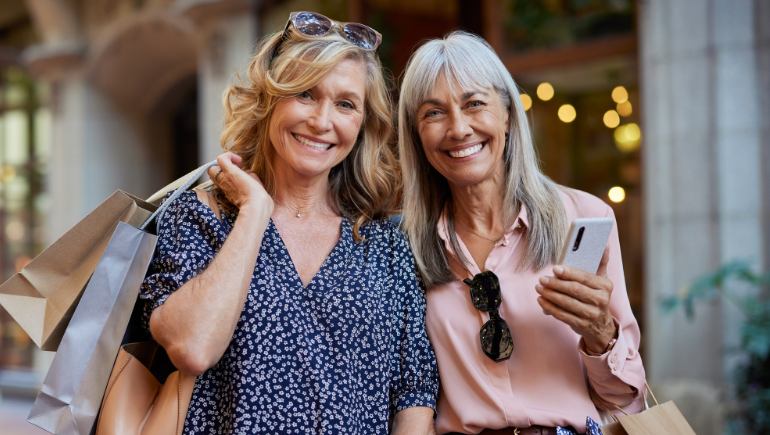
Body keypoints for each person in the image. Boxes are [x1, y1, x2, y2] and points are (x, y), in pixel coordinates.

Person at [139, 12, 437, 434]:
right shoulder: (200, 216)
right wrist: (254, 212)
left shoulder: (386, 243)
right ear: (268, 99)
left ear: (363, 124)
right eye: (304, 94)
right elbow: (192, 348)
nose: (321, 121)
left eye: (346, 104)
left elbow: (413, 391)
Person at [397, 31, 646, 435]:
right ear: (416, 135)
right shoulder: (405, 246)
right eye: (433, 113)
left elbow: (623, 401)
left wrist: (600, 332)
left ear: (508, 115)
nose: (458, 128)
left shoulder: (581, 218)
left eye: (475, 104)